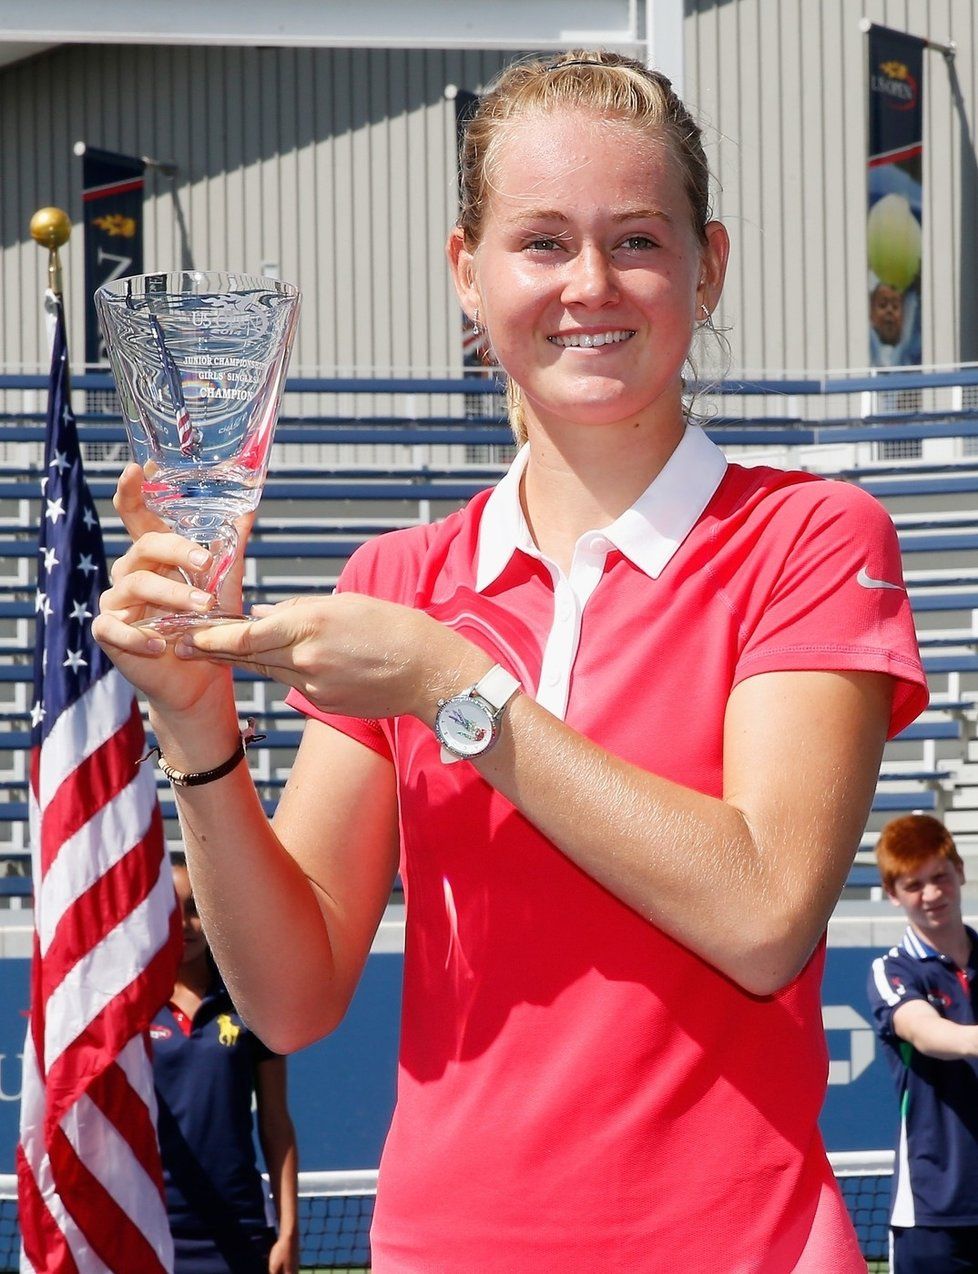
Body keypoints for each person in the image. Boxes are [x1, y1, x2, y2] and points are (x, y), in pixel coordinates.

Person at [94, 50, 929, 1273]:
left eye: (637, 238)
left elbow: (762, 913)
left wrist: (455, 688)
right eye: (541, 241)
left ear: (709, 265)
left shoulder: (810, 536)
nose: (591, 282)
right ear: (465, 274)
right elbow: (291, 997)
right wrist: (196, 723)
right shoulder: (401, 579)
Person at [151, 858, 300, 1273]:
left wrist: (288, 1230)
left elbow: (276, 1124)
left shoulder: (250, 1004)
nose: (185, 923)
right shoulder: (130, 1009)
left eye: (196, 908)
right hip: (149, 1225)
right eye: (172, 908)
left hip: (241, 1228)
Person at [867, 814, 978, 1273]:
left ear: (960, 873)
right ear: (893, 895)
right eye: (914, 885)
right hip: (932, 1212)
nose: (931, 895)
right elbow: (927, 1033)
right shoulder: (893, 971)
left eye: (940, 877)